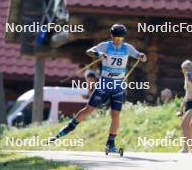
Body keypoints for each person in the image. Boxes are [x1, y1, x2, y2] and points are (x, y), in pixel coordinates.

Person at [49, 24, 147, 152]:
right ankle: (66, 129)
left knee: (115, 114)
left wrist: (142, 56)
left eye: (120, 39)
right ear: (112, 37)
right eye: (116, 38)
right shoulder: (105, 46)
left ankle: (110, 144)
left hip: (117, 85)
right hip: (104, 83)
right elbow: (88, 52)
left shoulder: (127, 48)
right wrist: (99, 54)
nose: (118, 41)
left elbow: (140, 56)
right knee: (88, 110)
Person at [177, 60, 192, 153]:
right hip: (189, 103)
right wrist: (181, 108)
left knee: (184, 125)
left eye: (184, 69)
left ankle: (186, 148)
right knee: (189, 126)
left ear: (188, 68)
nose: (183, 71)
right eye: (182, 69)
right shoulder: (186, 78)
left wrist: (191, 80)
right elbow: (187, 94)